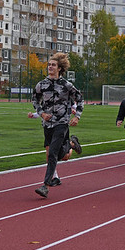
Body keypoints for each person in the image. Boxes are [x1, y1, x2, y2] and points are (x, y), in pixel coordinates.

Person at [31, 53, 84, 199]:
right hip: (47, 124)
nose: (50, 67)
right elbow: (35, 101)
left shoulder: (67, 85)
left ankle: (45, 185)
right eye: (49, 64)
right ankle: (72, 144)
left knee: (52, 153)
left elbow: (80, 99)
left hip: (62, 122)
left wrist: (77, 117)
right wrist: (41, 113)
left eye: (53, 65)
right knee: (62, 156)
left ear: (59, 68)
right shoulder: (41, 85)